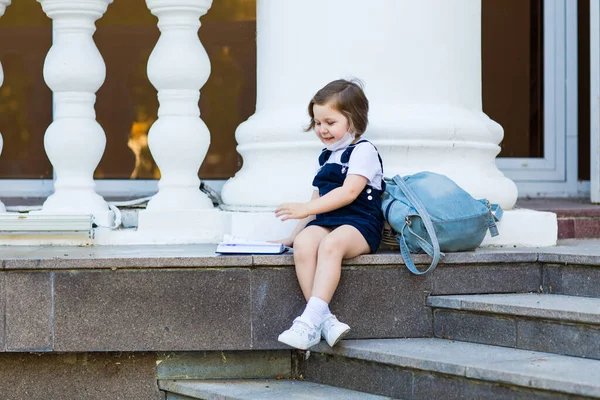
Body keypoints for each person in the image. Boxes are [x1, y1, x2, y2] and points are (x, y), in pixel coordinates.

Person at [274, 79, 385, 350]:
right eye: (317, 123)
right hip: (329, 221)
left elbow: (348, 193)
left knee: (331, 244)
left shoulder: (363, 151)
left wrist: (306, 208)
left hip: (360, 223)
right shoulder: (325, 157)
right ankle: (323, 322)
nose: (322, 129)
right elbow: (317, 199)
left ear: (354, 120)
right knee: (305, 243)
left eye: (330, 122)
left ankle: (308, 321)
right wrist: (292, 235)